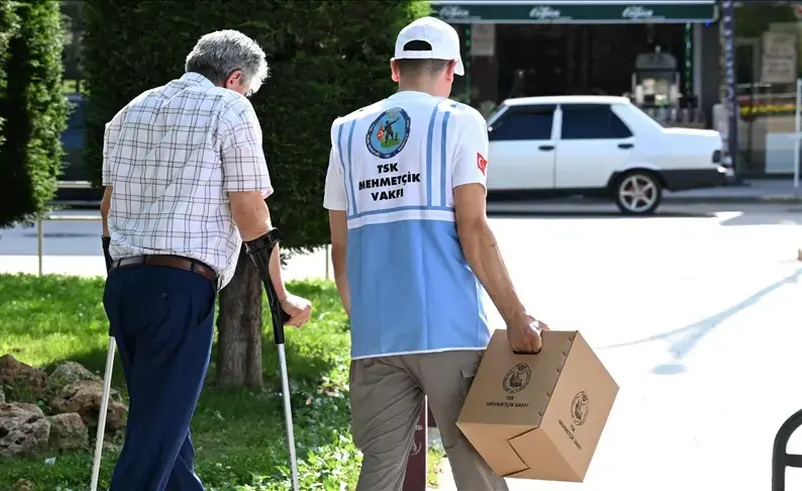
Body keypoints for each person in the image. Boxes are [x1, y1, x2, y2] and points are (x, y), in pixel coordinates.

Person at [322, 17, 547, 491]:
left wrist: (361, 318)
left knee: (380, 468)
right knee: (476, 465)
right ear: (450, 71)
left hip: (377, 336)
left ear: (394, 69)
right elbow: (473, 228)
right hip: (449, 331)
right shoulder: (460, 121)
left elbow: (340, 245)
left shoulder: (345, 132)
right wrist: (516, 316)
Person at [99, 30, 312, 491]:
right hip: (178, 287)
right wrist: (281, 295)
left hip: (124, 283)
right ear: (235, 78)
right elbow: (251, 211)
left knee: (166, 427)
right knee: (154, 439)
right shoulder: (230, 108)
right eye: (248, 88)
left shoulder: (128, 112)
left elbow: (107, 211)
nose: (248, 96)